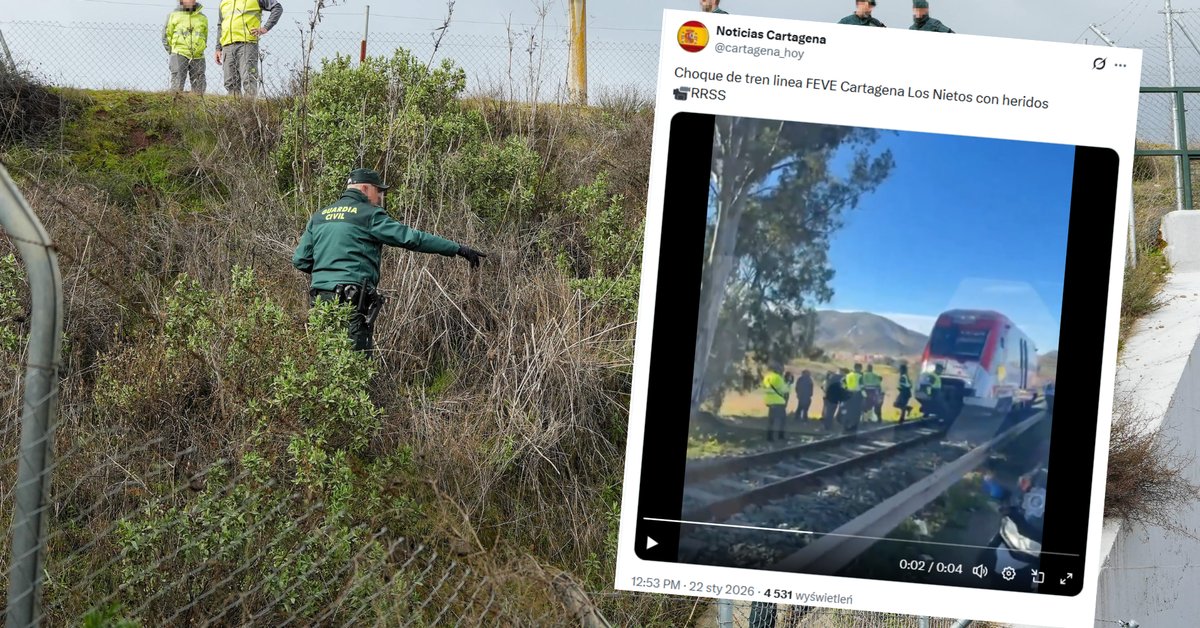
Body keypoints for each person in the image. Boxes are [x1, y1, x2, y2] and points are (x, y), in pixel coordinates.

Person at [292, 168, 486, 352]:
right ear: (365, 188)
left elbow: (300, 260)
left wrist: (328, 274)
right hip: (351, 300)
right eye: (379, 192)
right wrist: (457, 248)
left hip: (320, 300)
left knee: (325, 358)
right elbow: (412, 238)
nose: (380, 198)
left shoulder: (319, 217)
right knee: (354, 361)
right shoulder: (368, 214)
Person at [215, 0, 283, 97]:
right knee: (230, 83)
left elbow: (277, 8)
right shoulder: (224, 1)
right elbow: (220, 25)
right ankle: (233, 111)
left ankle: (250, 110)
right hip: (227, 46)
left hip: (247, 44)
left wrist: (265, 28)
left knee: (249, 80)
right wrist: (218, 48)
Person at [164, 1, 209, 95]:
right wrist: (173, 51)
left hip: (198, 56)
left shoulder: (203, 18)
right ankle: (174, 106)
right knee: (177, 85)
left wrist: (200, 48)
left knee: (199, 87)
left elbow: (204, 36)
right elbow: (166, 36)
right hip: (179, 53)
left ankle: (199, 107)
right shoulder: (173, 15)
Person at [762, 361, 790, 443]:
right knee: (782, 420)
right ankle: (780, 436)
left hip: (769, 401)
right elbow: (784, 390)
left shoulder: (766, 377)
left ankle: (769, 437)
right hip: (779, 401)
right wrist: (788, 384)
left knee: (771, 420)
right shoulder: (778, 378)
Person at [841, 363, 865, 433]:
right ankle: (854, 427)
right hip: (857, 395)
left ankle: (845, 425)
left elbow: (842, 383)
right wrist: (864, 397)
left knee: (848, 410)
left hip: (848, 394)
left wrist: (846, 390)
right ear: (859, 368)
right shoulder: (860, 376)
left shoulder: (848, 375)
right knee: (856, 411)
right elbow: (862, 387)